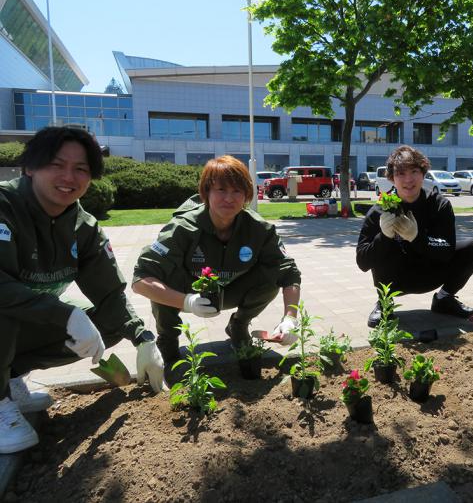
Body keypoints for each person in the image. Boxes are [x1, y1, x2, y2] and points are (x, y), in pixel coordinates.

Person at [0, 127, 164, 455]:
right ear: (30, 167)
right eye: (56, 165)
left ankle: (10, 377)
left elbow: (110, 292)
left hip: (20, 321)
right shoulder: (5, 205)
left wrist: (143, 338)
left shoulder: (82, 226)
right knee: (7, 312)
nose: (68, 177)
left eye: (81, 169)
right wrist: (65, 315)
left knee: (106, 324)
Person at [132, 156, 302, 368]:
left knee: (271, 277)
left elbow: (289, 272)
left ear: (247, 196)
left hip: (232, 289)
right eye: (221, 189)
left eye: (237, 191)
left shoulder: (259, 229)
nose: (229, 198)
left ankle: (238, 326)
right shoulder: (182, 228)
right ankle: (167, 338)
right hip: (191, 290)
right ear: (206, 192)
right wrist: (187, 302)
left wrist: (290, 319)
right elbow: (140, 279)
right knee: (161, 277)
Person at [356, 145, 473, 327]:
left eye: (414, 171)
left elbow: (447, 250)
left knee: (471, 249)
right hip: (395, 280)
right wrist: (384, 236)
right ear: (392, 178)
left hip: (430, 273)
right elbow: (362, 262)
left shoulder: (439, 205)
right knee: (380, 245)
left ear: (423, 173)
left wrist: (416, 238)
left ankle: (444, 299)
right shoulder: (380, 210)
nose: (408, 179)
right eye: (400, 173)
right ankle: (384, 304)